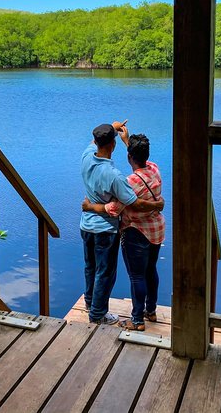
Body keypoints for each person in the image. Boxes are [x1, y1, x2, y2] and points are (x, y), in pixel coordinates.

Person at [81, 121, 164, 325]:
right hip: (107, 229)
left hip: (86, 225)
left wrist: (90, 207)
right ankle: (98, 314)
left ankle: (91, 303)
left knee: (91, 267)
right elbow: (133, 203)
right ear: (113, 145)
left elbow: (96, 141)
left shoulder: (86, 156)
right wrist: (158, 205)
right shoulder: (119, 176)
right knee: (106, 272)